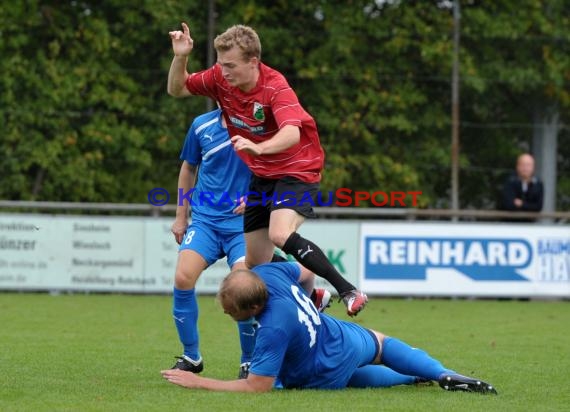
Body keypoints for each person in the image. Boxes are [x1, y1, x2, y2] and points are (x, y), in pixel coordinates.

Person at [167, 22, 368, 316]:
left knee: (279, 234)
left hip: (297, 171)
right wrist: (181, 57)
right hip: (263, 176)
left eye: (231, 65)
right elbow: (178, 88)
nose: (224, 72)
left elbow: (292, 133)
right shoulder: (221, 78)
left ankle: (349, 290)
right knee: (256, 263)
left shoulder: (275, 87)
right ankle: (311, 290)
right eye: (221, 64)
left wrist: (258, 148)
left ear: (253, 62)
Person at [161, 262, 497, 394]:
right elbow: (307, 272)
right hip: (337, 334)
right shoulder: (269, 274)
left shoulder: (271, 330)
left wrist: (198, 381)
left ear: (252, 309)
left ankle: (413, 377)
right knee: (382, 345)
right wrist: (311, 300)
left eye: (229, 310)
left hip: (320, 371)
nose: (224, 312)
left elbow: (257, 387)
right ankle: (439, 373)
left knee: (351, 379)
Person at [169, 109, 330, 378]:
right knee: (183, 278)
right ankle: (191, 356)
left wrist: (258, 199)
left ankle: (248, 362)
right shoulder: (201, 125)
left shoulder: (264, 128)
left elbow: (285, 169)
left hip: (243, 227)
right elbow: (188, 168)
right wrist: (180, 216)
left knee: (244, 287)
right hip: (205, 221)